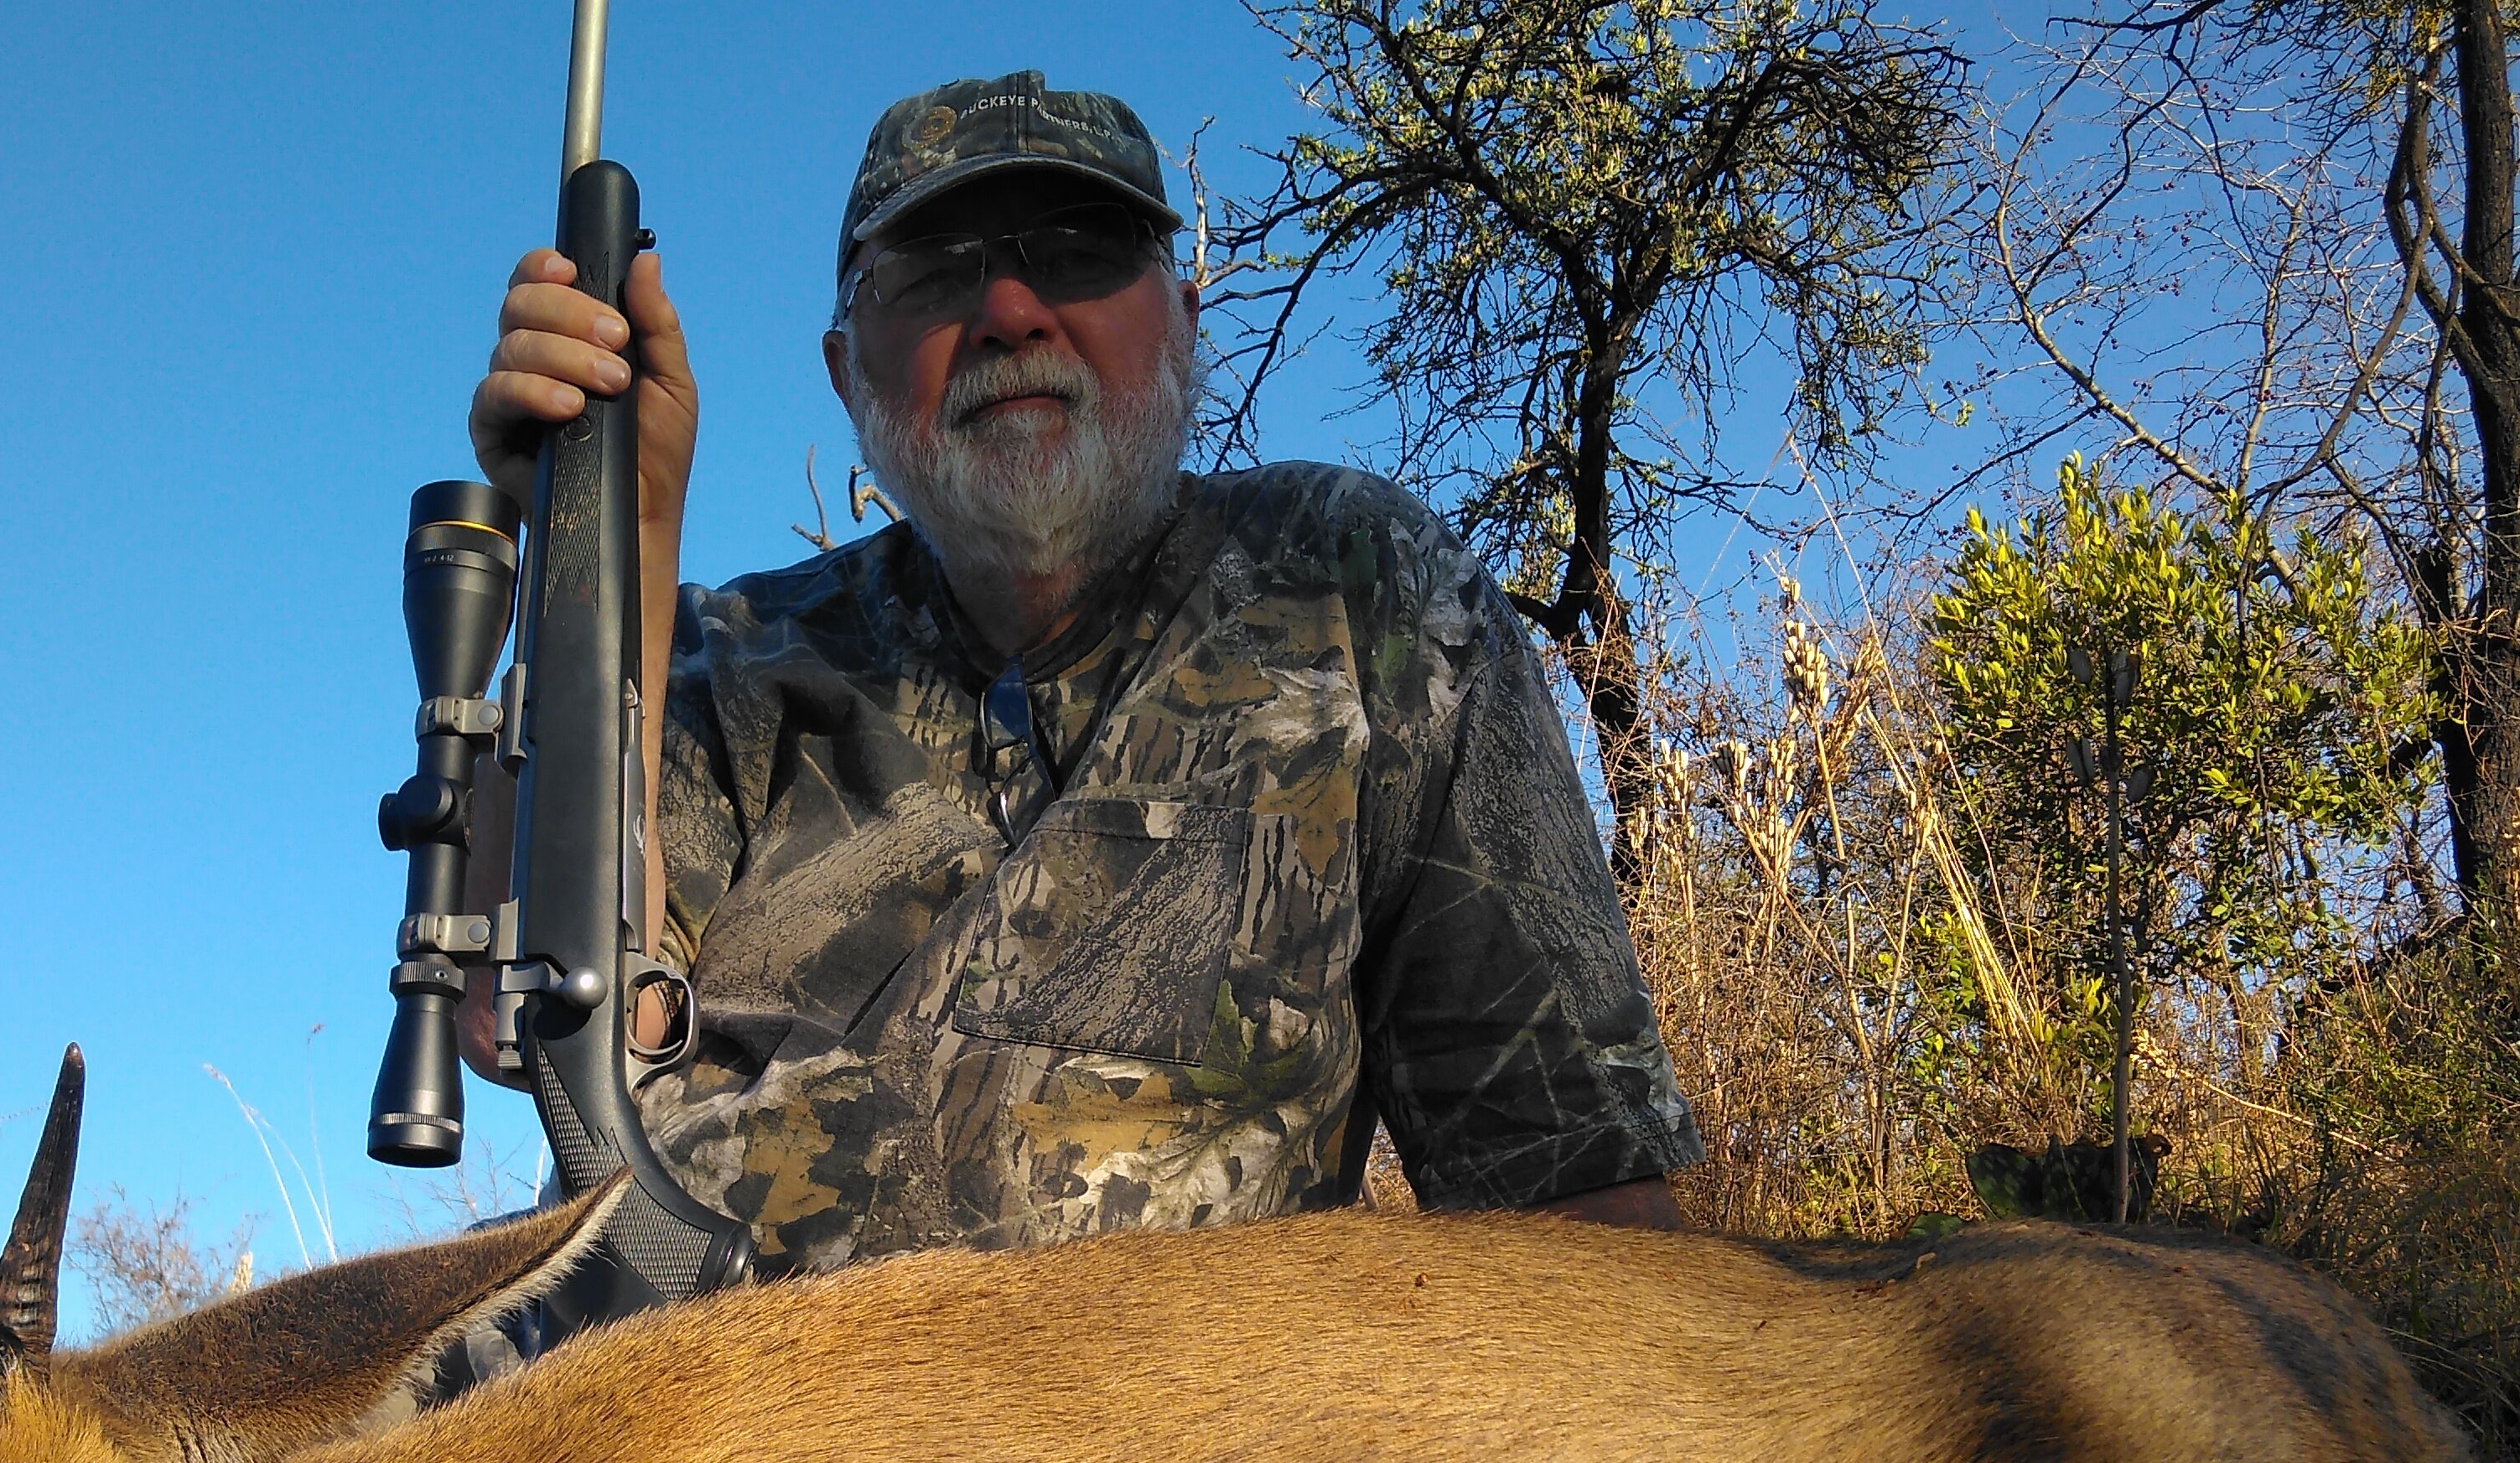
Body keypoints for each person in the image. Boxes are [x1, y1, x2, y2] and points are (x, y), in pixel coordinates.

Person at [464, 70, 1696, 1274]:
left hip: (1180, 1461)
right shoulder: (723, 657)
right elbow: (522, 1016)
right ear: (848, 373)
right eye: (936, 273)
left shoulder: (1356, 587)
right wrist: (610, 550)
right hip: (686, 1425)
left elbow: (1579, 1203)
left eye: (1081, 250)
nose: (1008, 313)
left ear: (1186, 322)